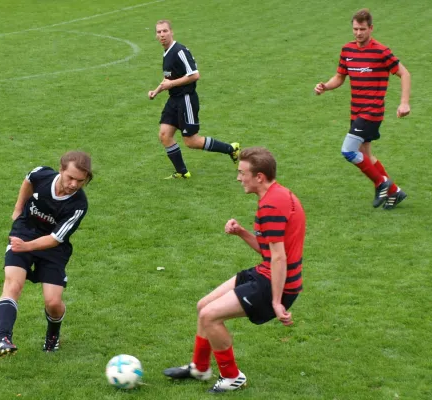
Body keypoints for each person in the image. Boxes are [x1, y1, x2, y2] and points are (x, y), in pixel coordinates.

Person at [163, 147, 306, 393]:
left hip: (276, 283)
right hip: (266, 272)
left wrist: (276, 301)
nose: (239, 178)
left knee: (210, 316)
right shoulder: (277, 195)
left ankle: (232, 377)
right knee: (203, 306)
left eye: (242, 173)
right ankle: (199, 367)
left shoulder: (271, 205)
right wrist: (241, 232)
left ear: (259, 176)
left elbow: (280, 259)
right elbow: (269, 252)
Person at [0, 151, 92, 357]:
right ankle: (4, 339)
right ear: (61, 169)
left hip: (53, 249)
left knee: (53, 302)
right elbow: (28, 179)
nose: (74, 184)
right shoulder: (42, 175)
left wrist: (27, 247)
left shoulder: (78, 205)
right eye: (71, 178)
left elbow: (56, 239)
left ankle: (53, 336)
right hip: (23, 232)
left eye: (80, 181)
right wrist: (18, 208)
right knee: (13, 285)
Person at [314, 8, 411, 210]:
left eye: (363, 29)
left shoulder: (381, 51)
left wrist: (404, 102)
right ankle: (394, 192)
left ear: (371, 28)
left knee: (348, 151)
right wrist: (325, 86)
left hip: (372, 112)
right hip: (356, 111)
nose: (358, 33)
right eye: (355, 29)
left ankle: (381, 183)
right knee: (365, 155)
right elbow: (340, 76)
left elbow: (405, 74)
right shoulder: (347, 50)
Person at [148, 19, 240, 179]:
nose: (162, 35)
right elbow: (168, 79)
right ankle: (182, 172)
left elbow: (194, 75)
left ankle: (231, 149)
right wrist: (156, 91)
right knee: (164, 135)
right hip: (174, 100)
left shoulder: (180, 51)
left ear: (171, 32)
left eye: (164, 31)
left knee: (191, 141)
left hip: (186, 100)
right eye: (159, 32)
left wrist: (171, 84)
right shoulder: (167, 53)